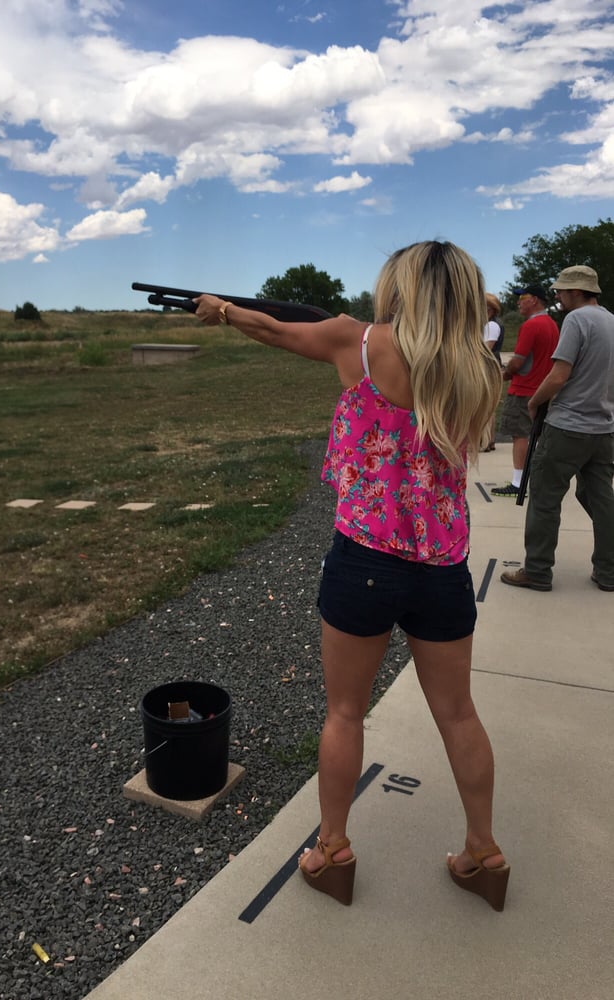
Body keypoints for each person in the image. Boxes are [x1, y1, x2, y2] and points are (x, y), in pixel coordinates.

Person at [194, 241, 509, 911]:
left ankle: (332, 850)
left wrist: (222, 310)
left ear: (400, 286)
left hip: (366, 558)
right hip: (443, 567)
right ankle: (484, 851)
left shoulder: (360, 342)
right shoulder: (478, 363)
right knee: (458, 713)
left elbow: (275, 328)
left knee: (344, 711)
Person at [501, 265, 614, 592]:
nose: (558, 296)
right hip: (604, 428)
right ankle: (608, 571)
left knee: (545, 497)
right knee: (601, 497)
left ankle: (537, 570)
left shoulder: (577, 321)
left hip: (568, 425)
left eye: (562, 290)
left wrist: (535, 402)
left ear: (577, 292)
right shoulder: (610, 320)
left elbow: (559, 375)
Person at [491, 285, 559, 497]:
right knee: (538, 435)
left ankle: (518, 482)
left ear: (535, 300)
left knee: (520, 435)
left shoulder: (530, 326)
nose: (519, 302)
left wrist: (504, 374)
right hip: (542, 389)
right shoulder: (552, 325)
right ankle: (538, 479)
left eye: (523, 297)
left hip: (523, 389)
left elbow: (518, 362)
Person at [482, 293, 504, 450]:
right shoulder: (493, 324)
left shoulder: (491, 326)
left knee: (486, 405)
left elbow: (485, 348)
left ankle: (485, 441)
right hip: (491, 364)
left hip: (488, 366)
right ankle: (488, 440)